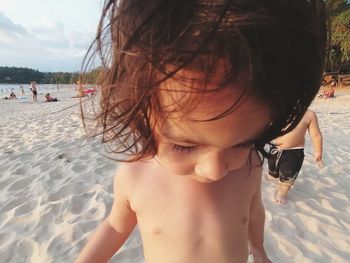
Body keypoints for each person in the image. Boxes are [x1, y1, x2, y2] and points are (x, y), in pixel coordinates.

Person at [76, 1, 327, 262]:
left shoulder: (249, 167)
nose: (215, 170)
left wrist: (258, 247)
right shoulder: (134, 176)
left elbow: (253, 213)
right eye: (185, 146)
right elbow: (116, 225)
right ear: (142, 115)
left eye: (242, 143)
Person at [267, 110, 323, 205]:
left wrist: (318, 152)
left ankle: (282, 193)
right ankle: (273, 176)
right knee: (272, 171)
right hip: (274, 149)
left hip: (293, 152)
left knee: (288, 175)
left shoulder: (308, 115)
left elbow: (316, 135)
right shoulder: (277, 109)